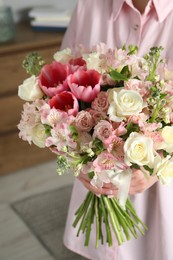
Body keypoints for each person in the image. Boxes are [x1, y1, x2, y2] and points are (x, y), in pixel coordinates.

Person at [61, 1, 173, 259]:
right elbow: (63, 92)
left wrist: (154, 169)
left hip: (163, 198)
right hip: (96, 190)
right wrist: (79, 159)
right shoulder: (87, 7)